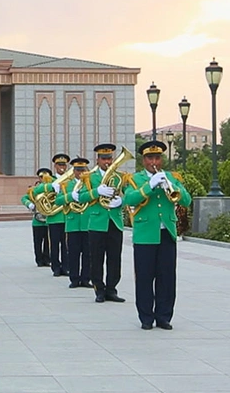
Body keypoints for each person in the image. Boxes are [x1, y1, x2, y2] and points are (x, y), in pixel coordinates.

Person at [123, 140, 192, 330]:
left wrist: (171, 186)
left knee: (167, 277)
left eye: (157, 158)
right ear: (143, 160)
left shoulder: (172, 177)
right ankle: (146, 317)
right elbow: (128, 199)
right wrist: (150, 186)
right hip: (145, 234)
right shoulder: (135, 179)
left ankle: (164, 316)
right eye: (150, 158)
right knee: (145, 277)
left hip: (167, 233)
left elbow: (186, 200)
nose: (154, 161)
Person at [78, 144, 126, 303]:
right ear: (97, 159)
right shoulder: (89, 177)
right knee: (96, 258)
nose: (107, 161)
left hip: (115, 221)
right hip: (97, 222)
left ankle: (112, 289)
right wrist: (96, 192)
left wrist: (122, 200)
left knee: (115, 258)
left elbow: (128, 195)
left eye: (109, 158)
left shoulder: (119, 176)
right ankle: (99, 289)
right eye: (104, 158)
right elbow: (80, 197)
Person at [31, 154, 71, 277]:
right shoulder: (50, 180)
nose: (62, 167)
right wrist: (50, 186)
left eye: (64, 165)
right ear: (55, 166)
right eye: (59, 165)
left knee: (66, 245)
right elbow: (35, 191)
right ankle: (56, 267)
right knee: (54, 244)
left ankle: (66, 267)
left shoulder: (70, 180)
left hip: (67, 216)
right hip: (54, 218)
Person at [57, 157, 92, 289]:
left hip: (87, 222)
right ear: (73, 171)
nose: (80, 172)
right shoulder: (66, 184)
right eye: (77, 170)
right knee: (73, 252)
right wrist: (70, 196)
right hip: (72, 223)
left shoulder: (89, 183)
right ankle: (74, 279)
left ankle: (85, 278)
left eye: (82, 169)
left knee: (87, 253)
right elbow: (58, 201)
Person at [22, 168, 52, 267]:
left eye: (45, 177)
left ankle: (47, 259)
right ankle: (39, 259)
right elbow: (24, 198)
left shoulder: (52, 189)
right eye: (41, 177)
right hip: (38, 220)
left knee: (48, 242)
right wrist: (29, 204)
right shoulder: (34, 189)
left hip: (48, 219)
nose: (43, 179)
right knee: (37, 241)